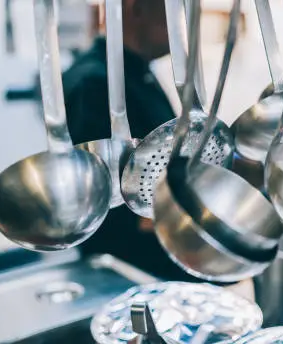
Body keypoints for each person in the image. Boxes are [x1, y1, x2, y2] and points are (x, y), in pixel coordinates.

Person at [62, 0, 204, 281]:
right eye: (173, 14)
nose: (181, 26)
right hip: (125, 272)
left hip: (159, 260)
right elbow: (108, 202)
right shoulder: (93, 83)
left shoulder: (140, 72)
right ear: (136, 9)